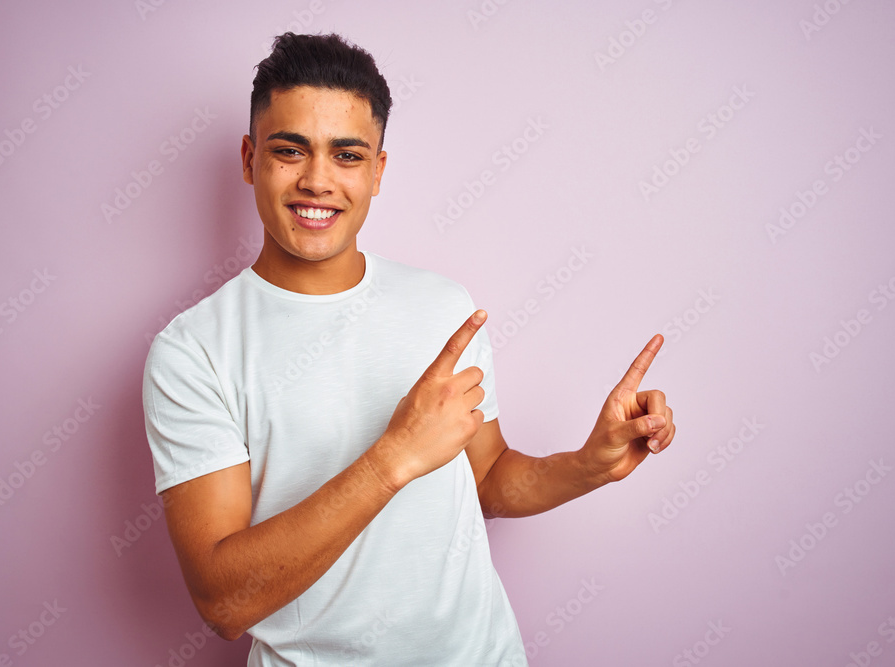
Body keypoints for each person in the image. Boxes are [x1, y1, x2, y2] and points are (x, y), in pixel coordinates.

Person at [142, 32, 675, 666]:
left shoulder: (443, 309)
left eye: (347, 155)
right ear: (249, 158)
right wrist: (393, 456)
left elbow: (487, 480)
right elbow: (224, 603)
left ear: (377, 172)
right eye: (290, 151)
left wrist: (591, 464)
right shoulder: (193, 352)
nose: (317, 181)